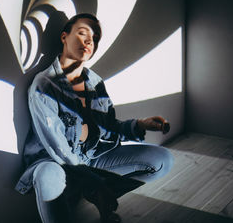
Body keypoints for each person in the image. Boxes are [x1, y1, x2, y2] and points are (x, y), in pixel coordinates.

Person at [15, 13, 174, 223]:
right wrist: (92, 179)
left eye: (95, 38)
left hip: (91, 157)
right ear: (64, 37)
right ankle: (95, 191)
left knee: (162, 160)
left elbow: (108, 126)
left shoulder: (94, 81)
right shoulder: (44, 85)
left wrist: (139, 125)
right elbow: (57, 146)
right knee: (46, 173)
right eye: (82, 33)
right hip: (58, 163)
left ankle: (95, 192)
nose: (90, 41)